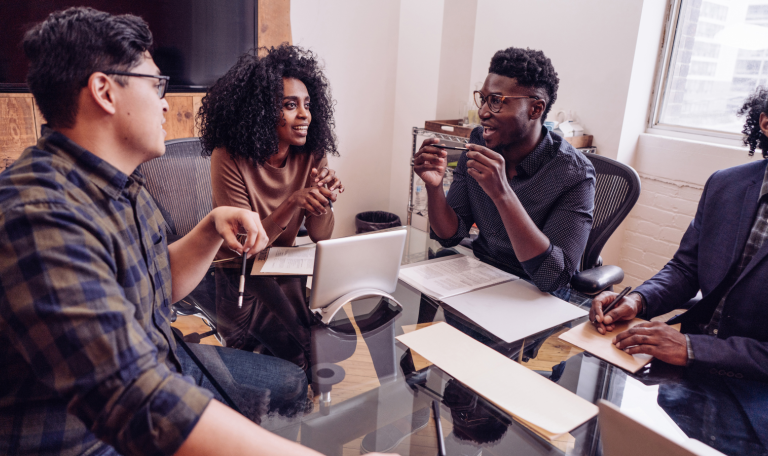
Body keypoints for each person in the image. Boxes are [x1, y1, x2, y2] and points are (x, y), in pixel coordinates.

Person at [0, 8, 395, 456]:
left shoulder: (124, 186)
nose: (166, 102)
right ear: (104, 91)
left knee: (287, 379)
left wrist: (210, 227)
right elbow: (133, 399)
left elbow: (157, 284)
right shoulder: (38, 215)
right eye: (156, 85)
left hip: (164, 360)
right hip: (83, 438)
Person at [590, 87, 768, 381]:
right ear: (765, 123)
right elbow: (686, 269)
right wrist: (638, 300)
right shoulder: (726, 185)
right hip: (685, 370)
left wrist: (694, 349)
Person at [198, 45, 343, 373]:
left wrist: (322, 201)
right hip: (240, 276)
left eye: (307, 105)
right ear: (261, 111)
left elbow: (321, 234)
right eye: (290, 105)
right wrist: (293, 202)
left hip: (282, 270)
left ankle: (303, 399)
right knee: (294, 351)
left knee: (303, 352)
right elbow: (247, 245)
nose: (304, 115)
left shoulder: (310, 152)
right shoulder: (229, 155)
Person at [413, 47, 595, 298]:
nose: (483, 112)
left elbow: (553, 277)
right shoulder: (479, 142)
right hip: (482, 276)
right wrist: (435, 188)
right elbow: (450, 235)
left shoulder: (574, 174)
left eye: (497, 101)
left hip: (535, 296)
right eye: (484, 99)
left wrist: (502, 194)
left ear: (535, 109)